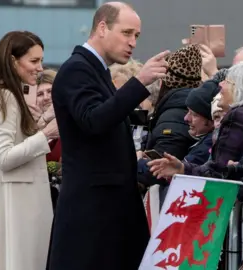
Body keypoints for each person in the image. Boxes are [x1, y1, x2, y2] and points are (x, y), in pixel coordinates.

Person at [49, 2, 169, 270]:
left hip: (106, 208)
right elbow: (94, 120)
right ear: (102, 27)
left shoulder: (94, 69)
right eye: (127, 33)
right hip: (92, 212)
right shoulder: (77, 69)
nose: (133, 42)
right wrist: (139, 82)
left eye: (136, 36)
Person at [0, 31, 58, 270]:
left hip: (9, 203)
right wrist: (47, 133)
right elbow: (3, 157)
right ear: (13, 61)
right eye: (34, 61)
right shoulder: (5, 96)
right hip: (18, 207)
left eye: (41, 60)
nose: (40, 68)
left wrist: (40, 126)